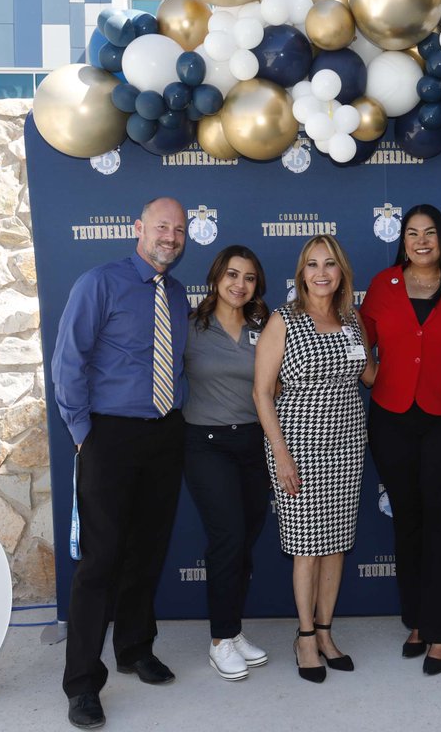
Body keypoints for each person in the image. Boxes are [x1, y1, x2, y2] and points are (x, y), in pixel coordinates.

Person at [52, 197, 189, 728]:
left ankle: (134, 649)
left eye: (179, 230)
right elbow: (69, 361)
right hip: (108, 435)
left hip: (164, 435)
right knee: (101, 561)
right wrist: (85, 434)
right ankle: (82, 682)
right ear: (139, 228)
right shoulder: (99, 282)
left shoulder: (176, 293)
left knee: (147, 552)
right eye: (162, 226)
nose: (170, 236)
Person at [359, 204, 441, 676]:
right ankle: (416, 620)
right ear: (403, 240)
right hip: (391, 418)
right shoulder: (383, 284)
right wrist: (370, 374)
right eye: (412, 233)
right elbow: (358, 336)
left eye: (430, 232)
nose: (421, 241)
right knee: (407, 521)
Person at [253, 235, 376, 684]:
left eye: (330, 264)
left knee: (337, 545)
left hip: (346, 446)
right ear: (301, 273)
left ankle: (325, 632)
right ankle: (305, 636)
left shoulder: (350, 319)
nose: (321, 273)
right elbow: (262, 393)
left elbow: (370, 374)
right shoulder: (284, 320)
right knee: (307, 549)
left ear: (341, 271)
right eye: (312, 265)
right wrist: (281, 455)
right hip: (299, 449)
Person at [182, 246, 271, 681]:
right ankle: (219, 641)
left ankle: (233, 632)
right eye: (232, 275)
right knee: (228, 538)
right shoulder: (190, 327)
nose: (240, 284)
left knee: (245, 540)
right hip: (206, 444)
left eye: (249, 277)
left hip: (254, 444)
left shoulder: (265, 326)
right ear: (217, 278)